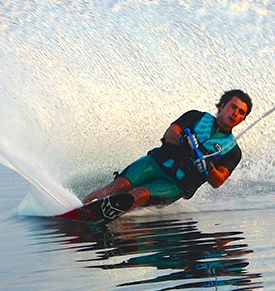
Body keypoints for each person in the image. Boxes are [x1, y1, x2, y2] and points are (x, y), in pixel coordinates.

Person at [83, 89, 252, 218]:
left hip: (175, 184)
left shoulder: (233, 151)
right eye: (233, 107)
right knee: (119, 186)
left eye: (241, 112)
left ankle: (105, 215)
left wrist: (208, 168)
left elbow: (218, 181)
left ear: (243, 119)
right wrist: (183, 141)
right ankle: (79, 208)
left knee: (140, 193)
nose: (235, 113)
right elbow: (170, 133)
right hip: (155, 164)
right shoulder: (196, 117)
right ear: (222, 106)